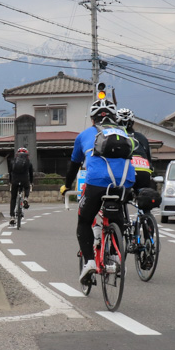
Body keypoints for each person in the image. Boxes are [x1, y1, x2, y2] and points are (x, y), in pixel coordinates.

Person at [60, 98, 135, 284]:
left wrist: (66, 186)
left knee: (84, 221)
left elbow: (74, 165)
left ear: (93, 120)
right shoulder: (125, 133)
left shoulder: (84, 135)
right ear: (114, 118)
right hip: (125, 182)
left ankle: (90, 262)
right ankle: (117, 257)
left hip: (97, 184)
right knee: (118, 219)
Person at [118, 108, 155, 195]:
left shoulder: (115, 136)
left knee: (119, 196)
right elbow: (148, 158)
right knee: (144, 198)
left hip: (123, 172)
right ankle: (144, 208)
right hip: (144, 172)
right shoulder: (142, 137)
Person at [8, 146, 35, 225]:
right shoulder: (28, 162)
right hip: (24, 180)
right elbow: (31, 174)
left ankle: (12, 216)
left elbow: (10, 173)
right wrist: (31, 182)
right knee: (27, 187)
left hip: (15, 181)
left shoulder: (13, 161)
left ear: (17, 154)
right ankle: (25, 198)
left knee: (13, 198)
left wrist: (10, 182)